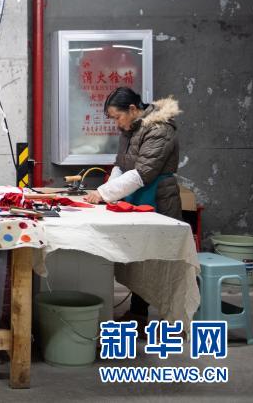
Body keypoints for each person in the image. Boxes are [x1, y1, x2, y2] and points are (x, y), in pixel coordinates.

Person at [83, 87, 182, 326]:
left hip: (158, 197)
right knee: (139, 257)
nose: (116, 123)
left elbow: (142, 173)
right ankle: (138, 315)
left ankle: (176, 319)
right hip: (137, 193)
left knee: (160, 260)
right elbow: (121, 165)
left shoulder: (159, 129)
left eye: (118, 117)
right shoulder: (130, 128)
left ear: (132, 109)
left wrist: (104, 193)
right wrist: (106, 191)